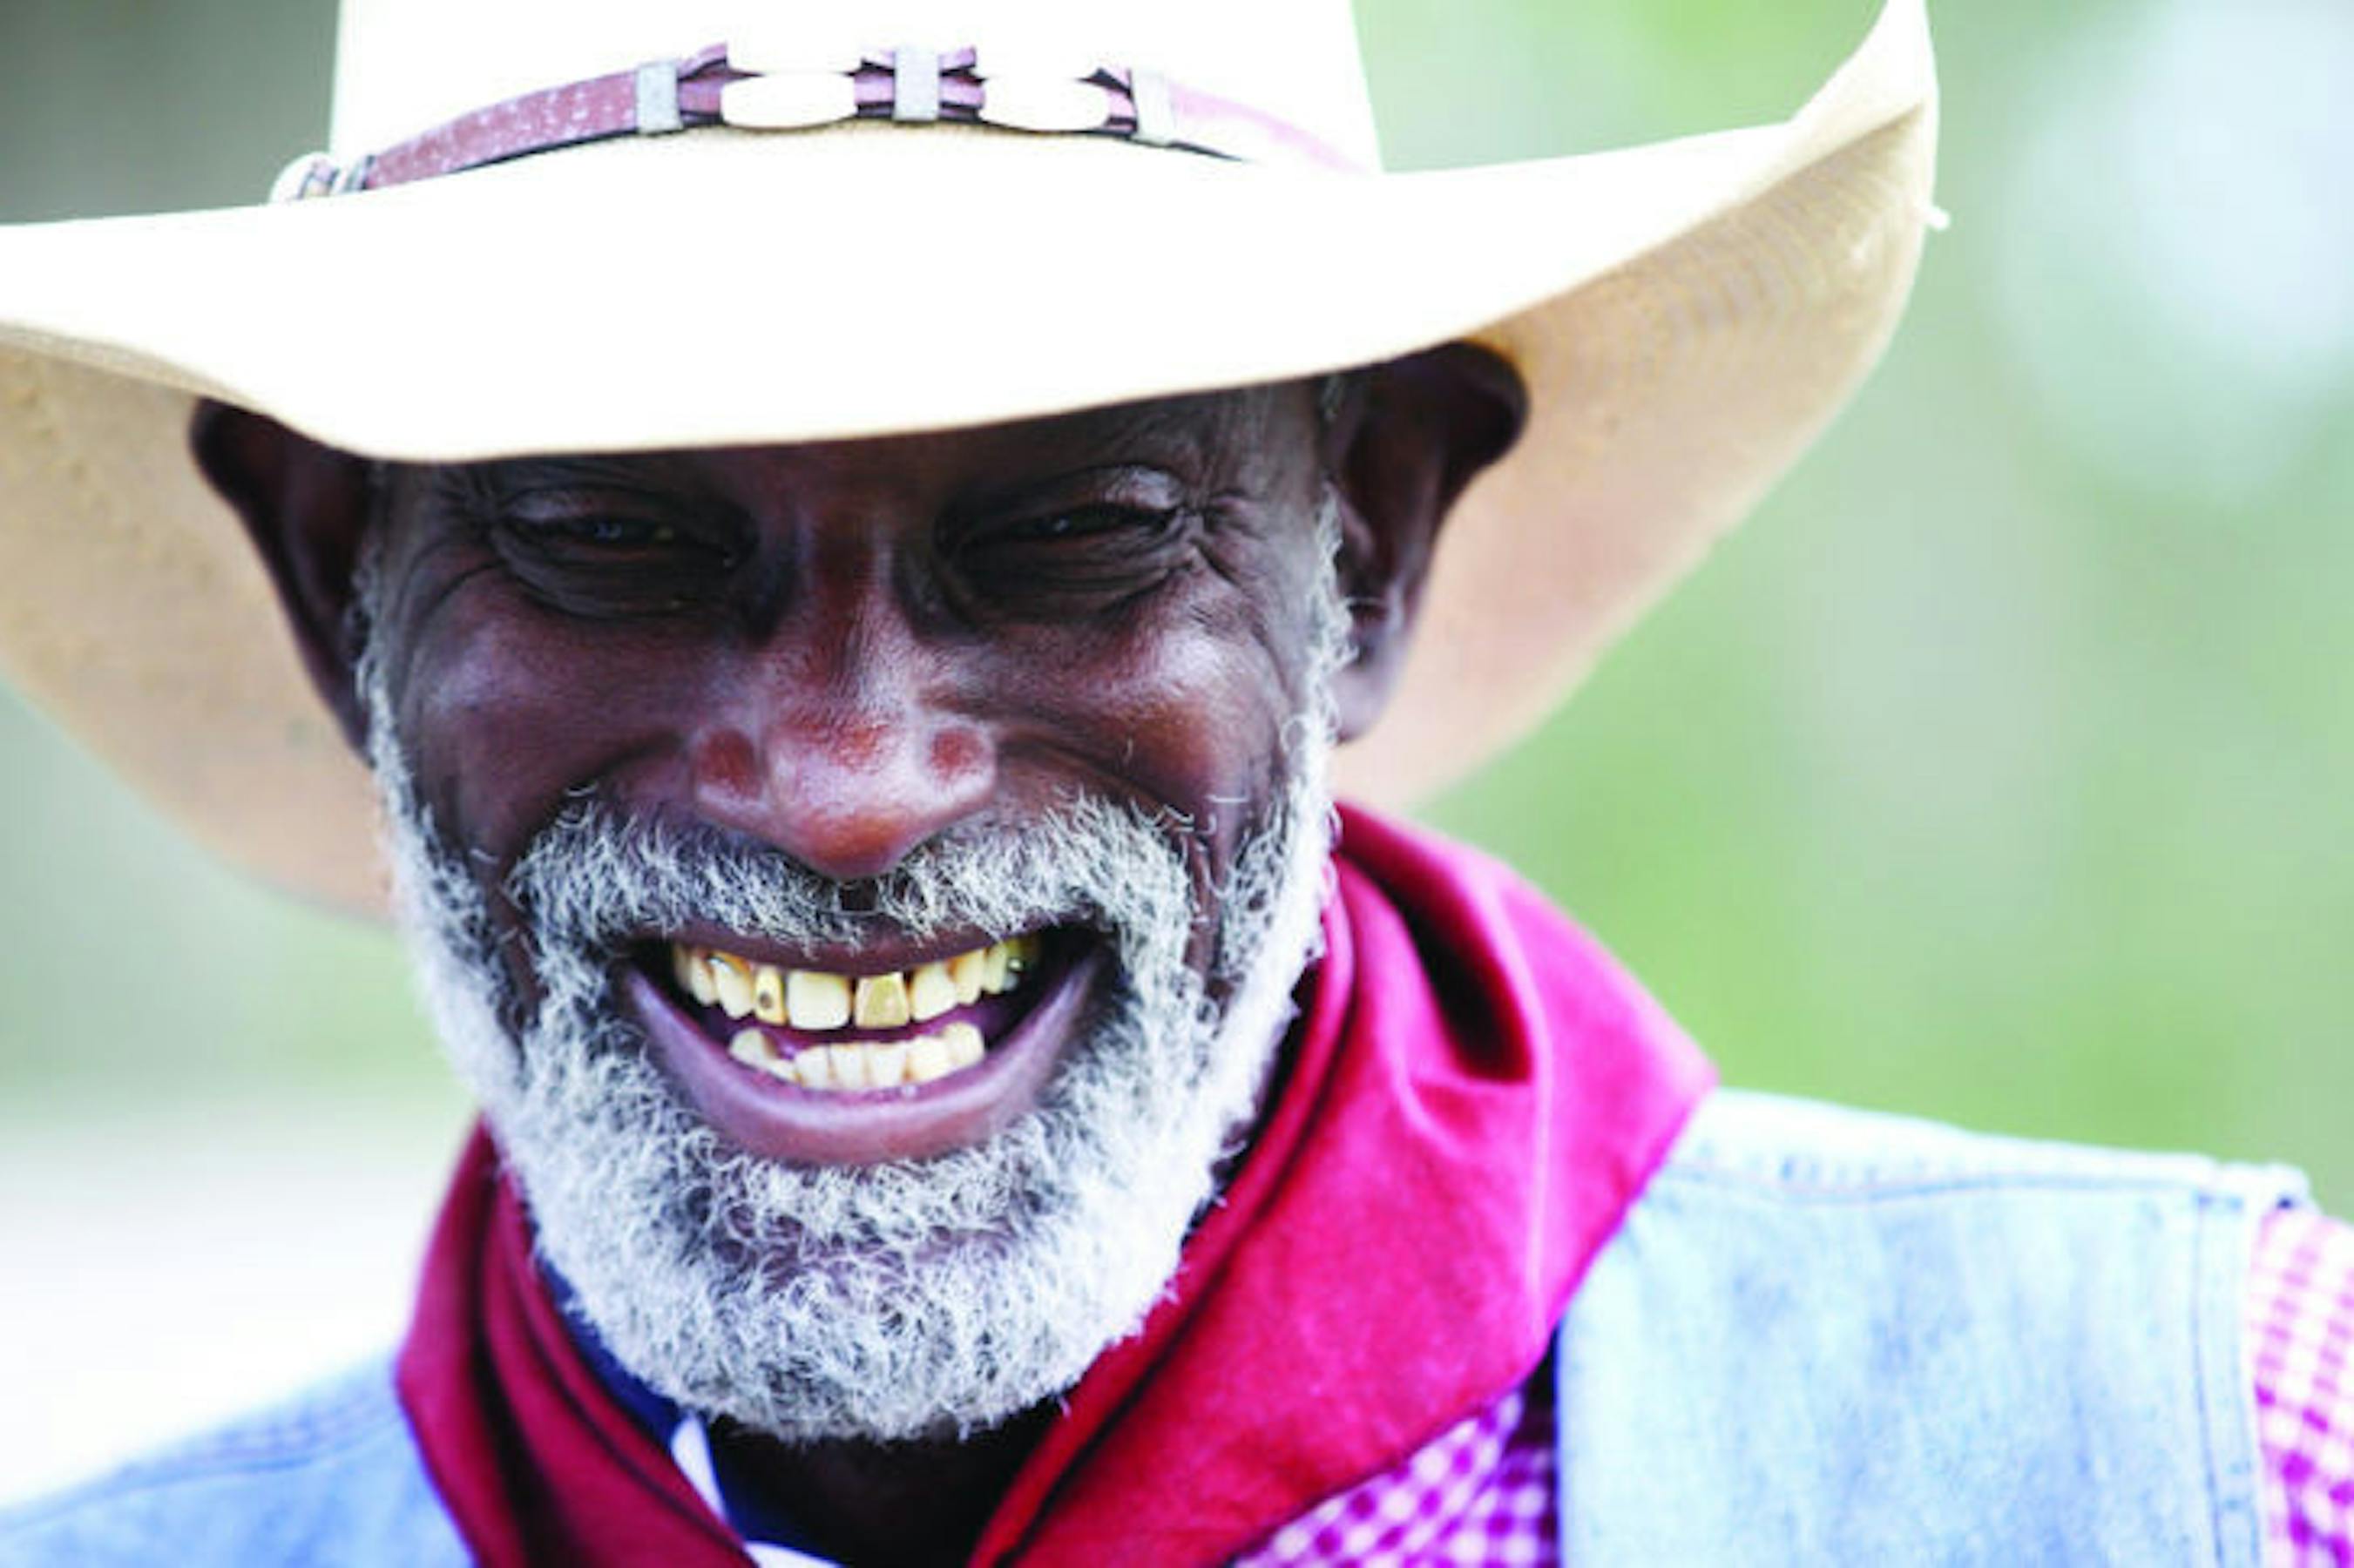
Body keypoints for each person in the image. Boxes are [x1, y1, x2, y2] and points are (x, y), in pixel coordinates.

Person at [0, 0, 2347, 1563]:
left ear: (1369, 544)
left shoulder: (2215, 1464)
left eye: (1076, 532)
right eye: (612, 536)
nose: (849, 783)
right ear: (336, 589)